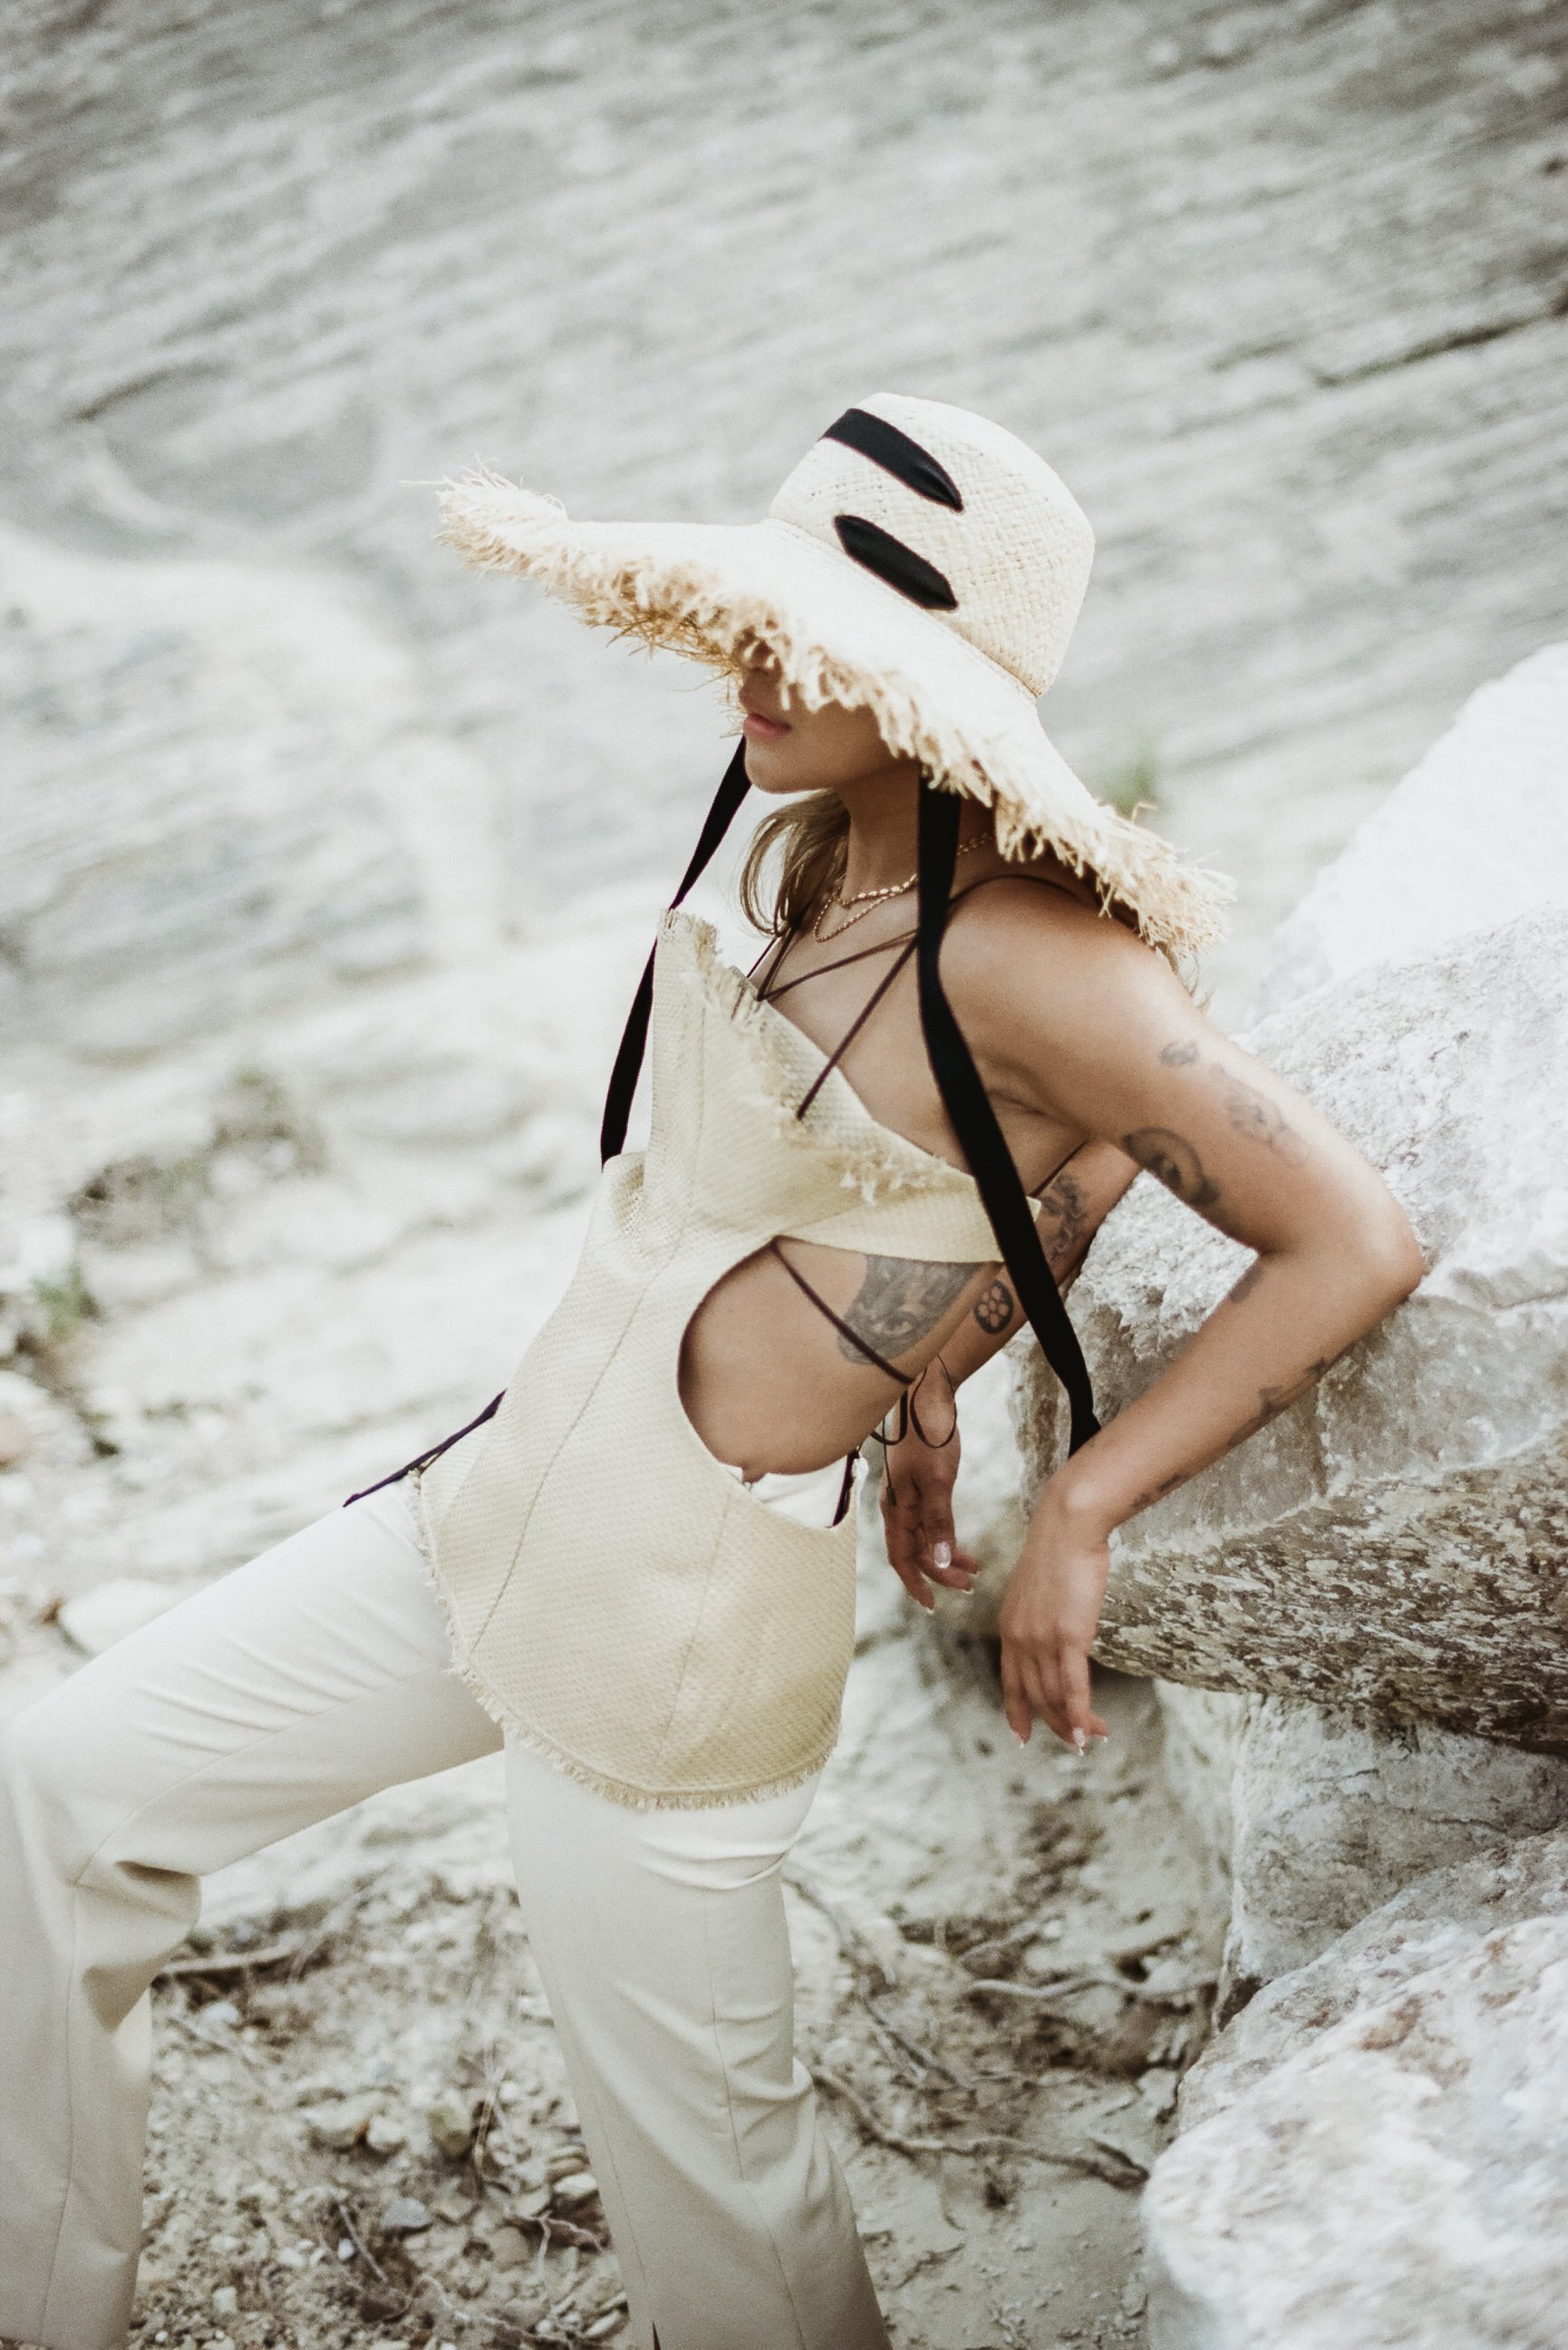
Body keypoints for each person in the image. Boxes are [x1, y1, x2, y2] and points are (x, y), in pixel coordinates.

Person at [0, 395, 1422, 2350]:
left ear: (933, 682)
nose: (755, 660)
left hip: (669, 1641)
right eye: (755, 609)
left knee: (720, 2234)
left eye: (815, 634)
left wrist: (1079, 1502)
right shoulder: (813, 853)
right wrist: (938, 1353)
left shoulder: (1028, 954)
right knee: (57, 1794)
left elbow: (1344, 1233)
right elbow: (1016, 1169)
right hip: (486, 1511)